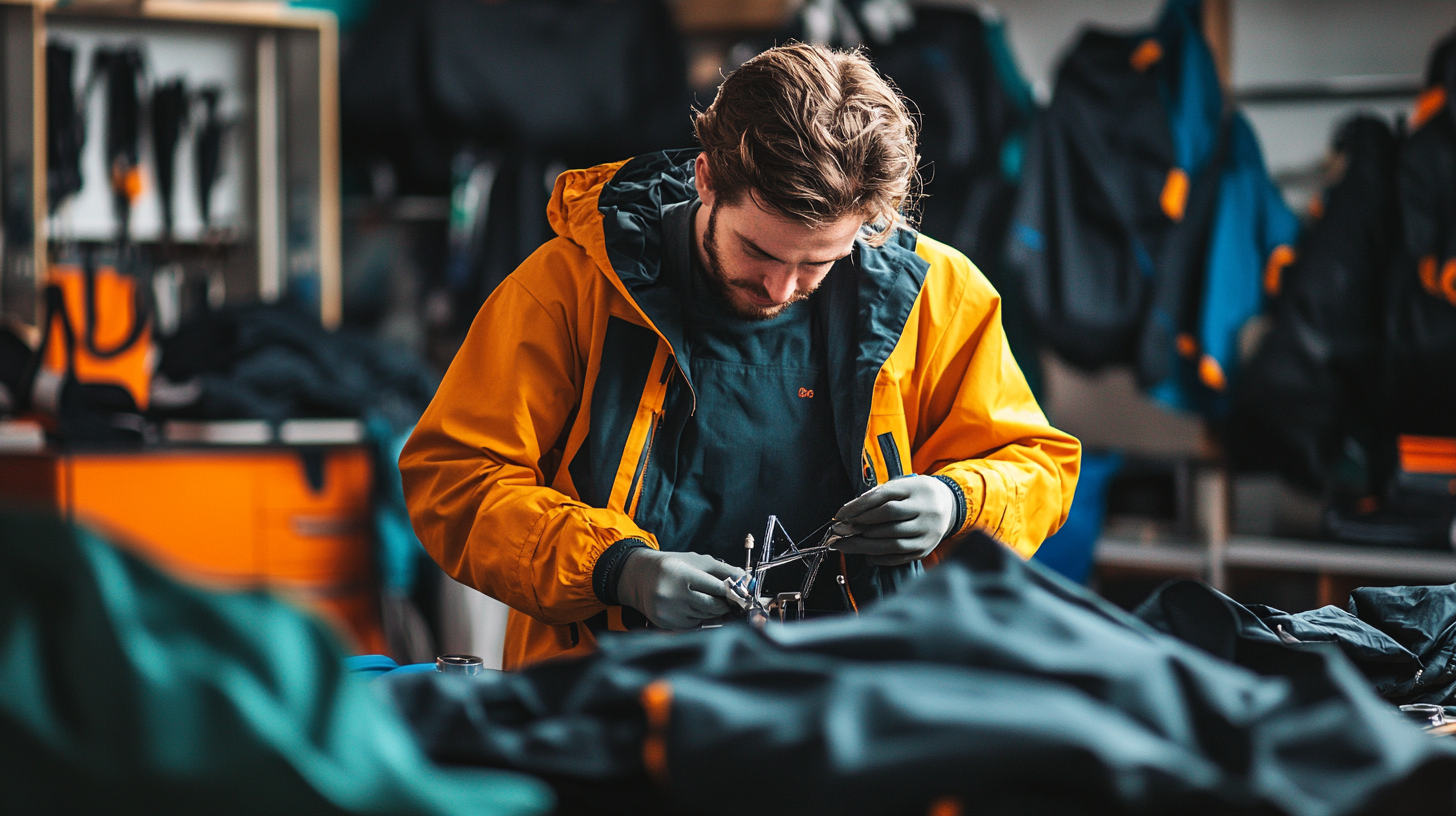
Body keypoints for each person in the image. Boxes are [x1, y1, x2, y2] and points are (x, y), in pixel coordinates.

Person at [401, 43, 1081, 670]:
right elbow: (456, 479)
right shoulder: (571, 289)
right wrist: (615, 569)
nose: (781, 288)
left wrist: (957, 499)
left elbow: (1037, 465)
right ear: (706, 179)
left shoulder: (934, 297)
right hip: (608, 702)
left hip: (859, 701)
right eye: (758, 251)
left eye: (818, 262)